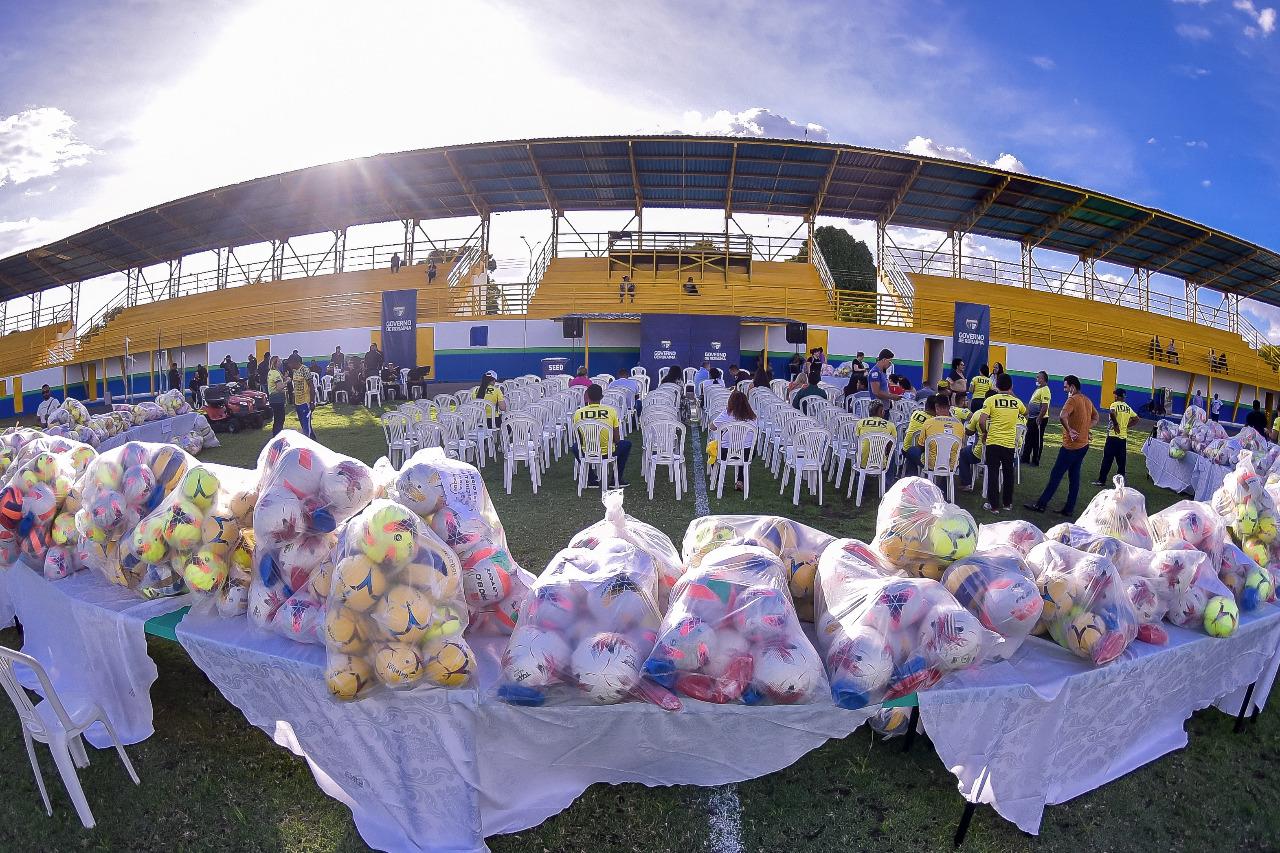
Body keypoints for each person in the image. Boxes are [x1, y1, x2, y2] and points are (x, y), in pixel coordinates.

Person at [1025, 374, 1098, 517]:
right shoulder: (1087, 400)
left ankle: (1041, 505)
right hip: (1083, 446)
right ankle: (1069, 509)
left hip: (1071, 447)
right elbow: (1096, 417)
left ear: (1072, 387)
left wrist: (1070, 430)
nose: (1064, 390)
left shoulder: (1072, 400)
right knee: (1074, 477)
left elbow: (1062, 416)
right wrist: (1085, 429)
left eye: (1066, 387)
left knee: (1056, 476)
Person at [978, 373, 1026, 514]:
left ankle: (993, 506)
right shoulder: (1016, 402)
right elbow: (1026, 412)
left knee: (993, 472)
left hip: (993, 441)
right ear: (1011, 386)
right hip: (1009, 443)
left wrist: (985, 432)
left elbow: (982, 420)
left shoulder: (991, 400)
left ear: (996, 386)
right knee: (1008, 473)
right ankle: (1007, 503)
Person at [573, 383, 631, 488]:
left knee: (575, 447)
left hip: (587, 452)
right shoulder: (611, 411)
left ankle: (591, 479)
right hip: (608, 452)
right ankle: (616, 479)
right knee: (626, 444)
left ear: (587, 397)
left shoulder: (578, 413)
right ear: (602, 397)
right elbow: (617, 439)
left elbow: (579, 438)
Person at [708, 389, 757, 490]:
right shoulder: (753, 417)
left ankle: (716, 479)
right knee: (744, 447)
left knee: (712, 448)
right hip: (747, 453)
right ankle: (740, 480)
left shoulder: (726, 414)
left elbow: (712, 427)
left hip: (725, 452)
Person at [908, 394, 964, 475]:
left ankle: (913, 480)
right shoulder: (960, 425)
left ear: (936, 407)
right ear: (949, 408)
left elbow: (921, 445)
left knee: (912, 450)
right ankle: (944, 485)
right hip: (952, 464)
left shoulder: (928, 423)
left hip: (932, 464)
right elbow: (961, 447)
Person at [1093, 388, 1135, 485]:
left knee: (1107, 459)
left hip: (1113, 436)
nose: (1114, 396)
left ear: (1117, 396)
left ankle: (1101, 480)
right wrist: (1126, 426)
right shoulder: (1128, 408)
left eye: (1115, 395)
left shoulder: (1114, 404)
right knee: (1121, 462)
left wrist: (1116, 425)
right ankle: (1120, 483)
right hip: (1123, 438)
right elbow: (1136, 418)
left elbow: (1112, 413)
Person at [1022, 371, 1051, 467]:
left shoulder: (1045, 390)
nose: (1036, 379)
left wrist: (1039, 418)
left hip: (1039, 419)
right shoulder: (1039, 389)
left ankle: (1035, 460)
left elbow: (1045, 406)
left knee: (1037, 440)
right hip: (1032, 417)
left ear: (1043, 379)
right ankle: (1025, 458)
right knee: (1028, 438)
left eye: (1038, 377)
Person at [854, 401, 896, 466]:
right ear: (881, 411)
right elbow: (890, 447)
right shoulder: (891, 425)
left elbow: (858, 441)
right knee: (893, 452)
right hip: (880, 464)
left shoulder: (860, 423)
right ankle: (889, 476)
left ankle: (858, 475)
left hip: (861, 462)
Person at [288, 354, 316, 438]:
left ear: (295, 362)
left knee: (306, 426)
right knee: (304, 424)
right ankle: (313, 440)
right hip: (298, 402)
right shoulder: (294, 371)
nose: (289, 365)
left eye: (290, 363)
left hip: (305, 401)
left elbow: (311, 386)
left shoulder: (305, 370)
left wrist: (312, 401)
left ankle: (308, 444)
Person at [267, 356, 287, 436]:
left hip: (273, 398)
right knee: (280, 419)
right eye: (279, 361)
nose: (281, 362)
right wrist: (287, 381)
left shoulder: (271, 372)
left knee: (277, 419)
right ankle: (277, 437)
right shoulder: (275, 373)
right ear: (276, 363)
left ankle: (276, 436)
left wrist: (284, 378)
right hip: (277, 399)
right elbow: (279, 387)